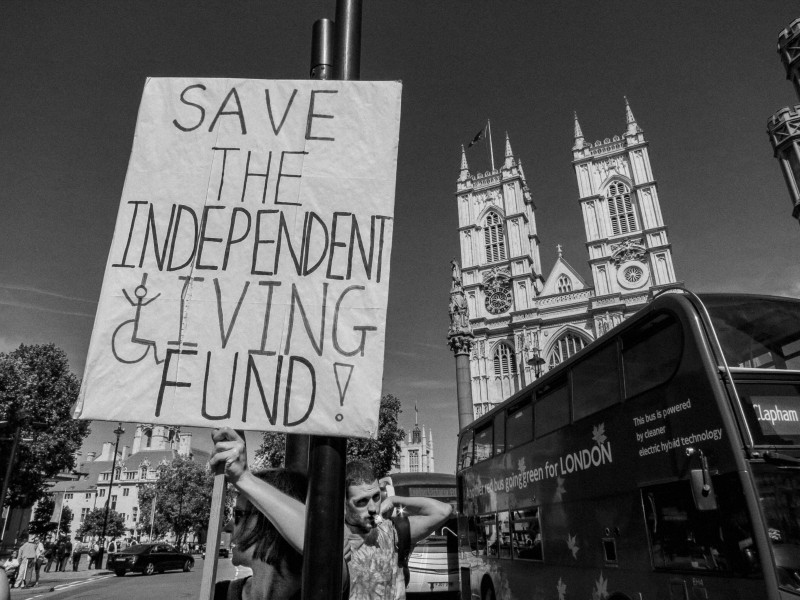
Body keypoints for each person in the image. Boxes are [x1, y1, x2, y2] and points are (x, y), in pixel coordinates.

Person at [211, 427, 452, 600]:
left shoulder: (385, 531)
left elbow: (443, 511)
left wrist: (395, 499)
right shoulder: (337, 541)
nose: (372, 508)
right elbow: (319, 539)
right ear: (343, 504)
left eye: (375, 498)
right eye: (361, 501)